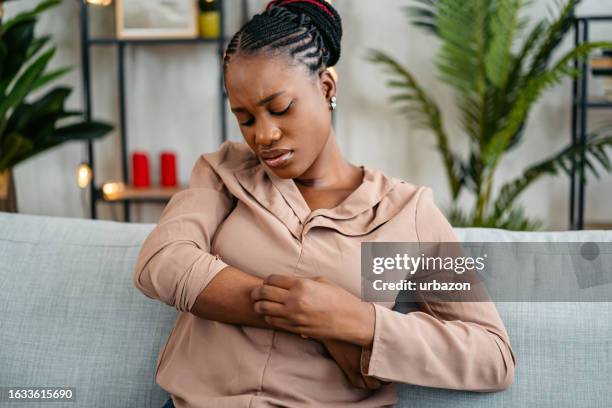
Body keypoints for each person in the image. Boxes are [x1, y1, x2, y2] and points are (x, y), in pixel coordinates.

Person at [132, 1, 516, 407]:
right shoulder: (225, 172)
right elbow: (163, 262)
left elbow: (492, 355)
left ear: (327, 87)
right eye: (245, 118)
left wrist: (359, 322)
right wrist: (313, 321)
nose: (263, 135)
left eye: (280, 108)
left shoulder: (406, 211)